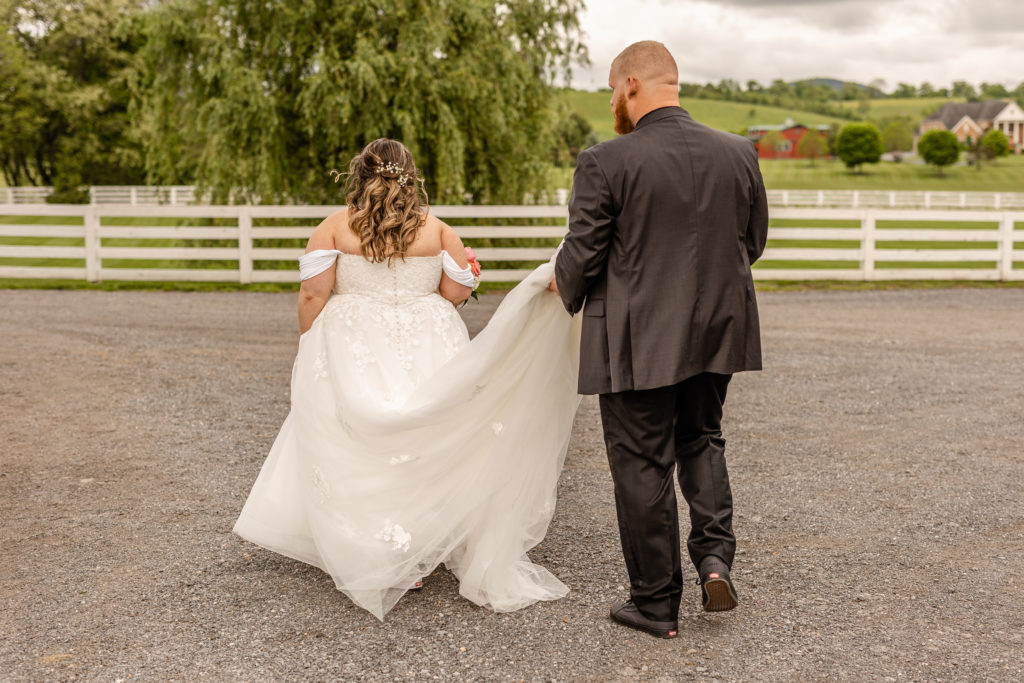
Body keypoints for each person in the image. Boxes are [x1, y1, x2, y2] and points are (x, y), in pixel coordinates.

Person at [234, 138, 582, 621]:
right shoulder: (436, 229)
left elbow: (314, 295)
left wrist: (310, 342)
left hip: (354, 336)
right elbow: (456, 291)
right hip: (428, 338)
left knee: (356, 435)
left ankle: (375, 544)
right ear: (411, 176)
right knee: (427, 435)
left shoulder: (335, 226)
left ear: (360, 173)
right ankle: (422, 542)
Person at [551, 41, 769, 639]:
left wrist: (556, 290)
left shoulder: (605, 160)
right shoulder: (739, 152)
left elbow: (585, 251)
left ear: (628, 86)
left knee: (642, 462)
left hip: (637, 339)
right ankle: (715, 560)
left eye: (612, 91)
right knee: (701, 438)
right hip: (718, 331)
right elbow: (752, 243)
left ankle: (655, 602)